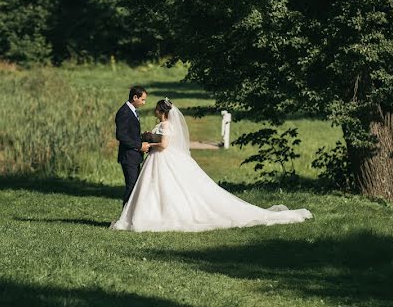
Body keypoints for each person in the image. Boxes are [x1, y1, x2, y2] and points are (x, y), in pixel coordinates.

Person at [111, 98, 312, 232]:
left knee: (162, 187)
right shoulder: (164, 125)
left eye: (155, 107)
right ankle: (151, 213)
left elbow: (163, 145)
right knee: (160, 188)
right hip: (159, 159)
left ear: (160, 111)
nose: (153, 109)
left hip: (161, 157)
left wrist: (149, 144)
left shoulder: (165, 125)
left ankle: (155, 215)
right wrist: (149, 136)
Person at [115, 85, 151, 206]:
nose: (144, 103)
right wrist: (140, 146)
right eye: (143, 99)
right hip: (129, 157)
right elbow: (121, 136)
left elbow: (130, 133)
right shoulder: (124, 112)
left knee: (135, 187)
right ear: (135, 97)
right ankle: (124, 219)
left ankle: (130, 217)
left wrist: (142, 137)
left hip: (134, 156)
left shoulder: (131, 110)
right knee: (131, 187)